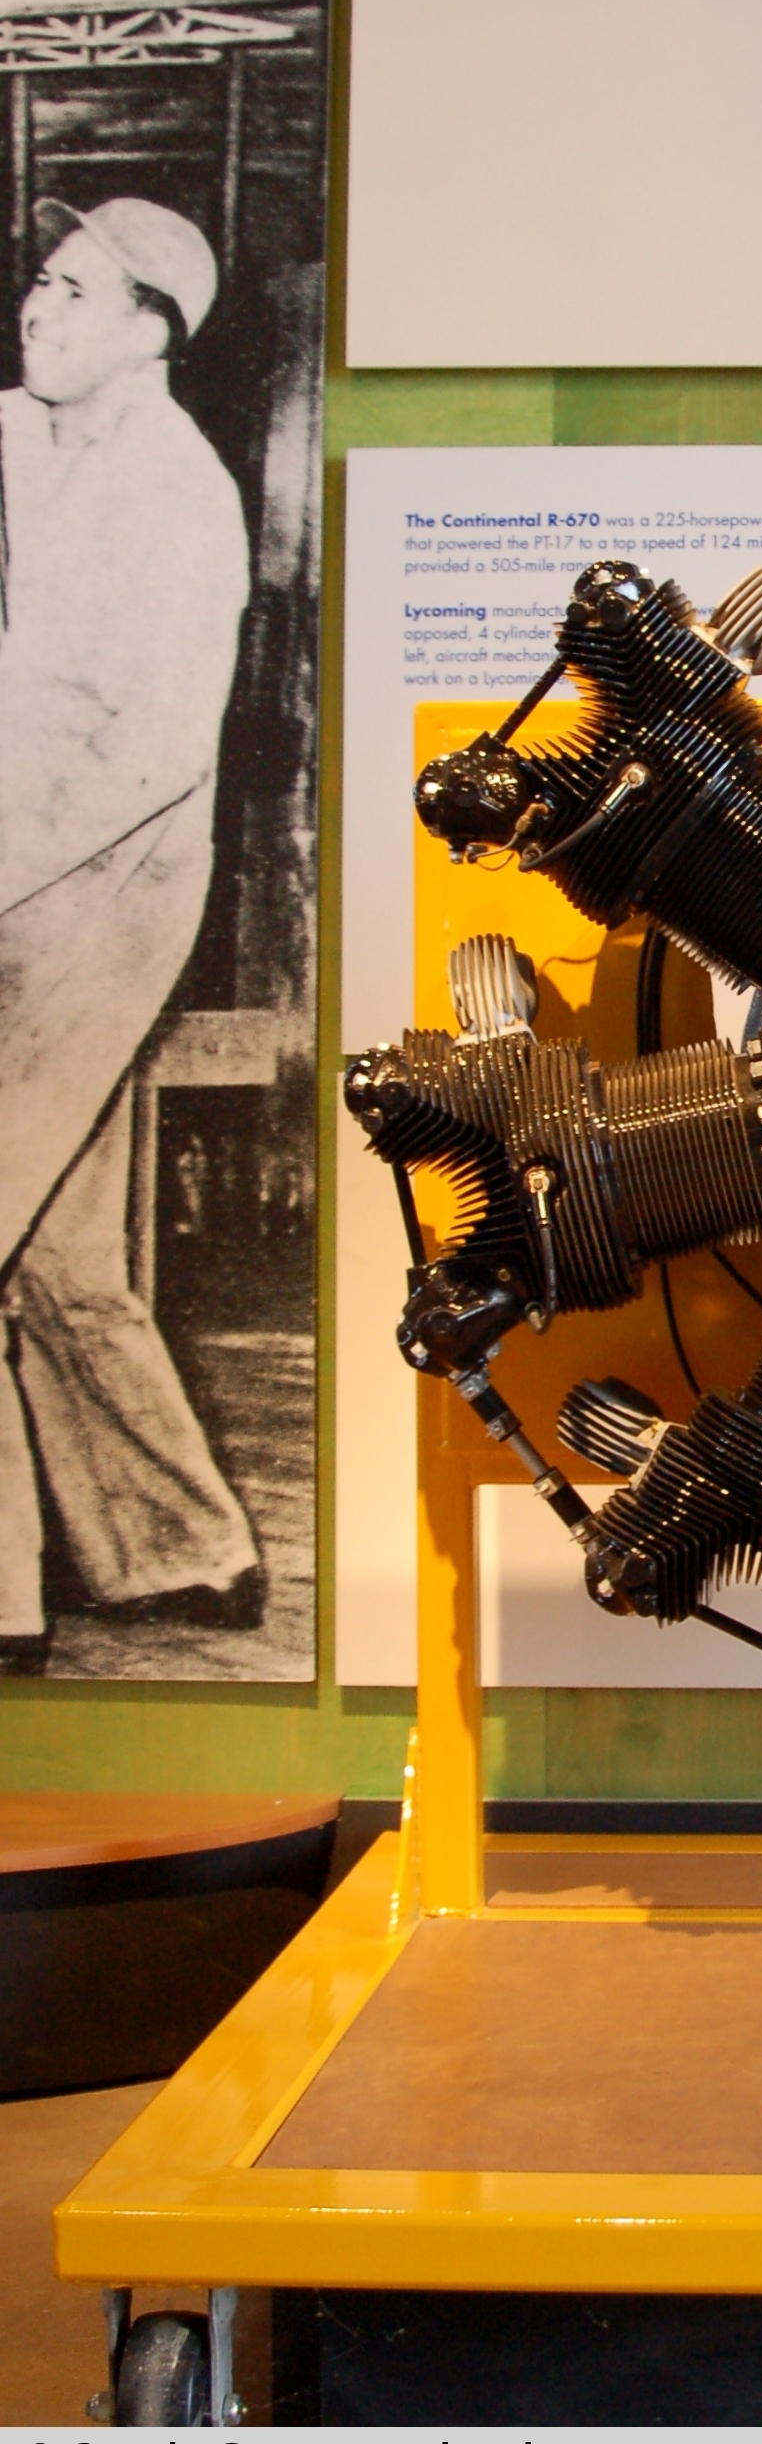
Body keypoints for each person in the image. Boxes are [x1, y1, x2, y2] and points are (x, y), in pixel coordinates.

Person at [0, 197, 263, 1671]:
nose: (35, 308)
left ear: (149, 326)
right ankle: (183, 1553)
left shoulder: (176, 495)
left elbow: (150, 750)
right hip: (25, 887)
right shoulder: (43, 440)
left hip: (94, 900)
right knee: (55, 1244)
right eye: (37, 283)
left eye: (70, 288)